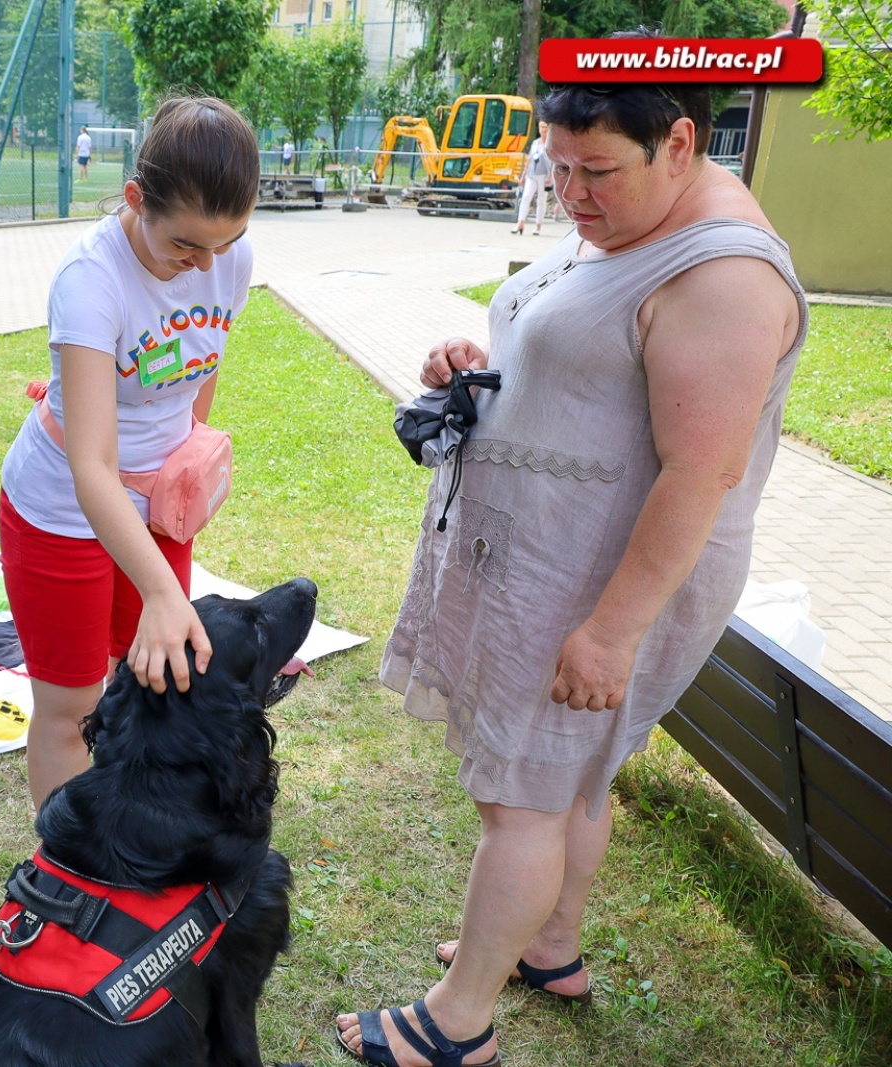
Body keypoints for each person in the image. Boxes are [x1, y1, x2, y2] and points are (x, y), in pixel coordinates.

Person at [336, 64, 808, 1067]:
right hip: (549, 562)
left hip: (595, 584)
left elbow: (702, 470)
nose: (574, 194)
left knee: (522, 796)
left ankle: (453, 1024)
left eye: (596, 171)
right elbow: (588, 357)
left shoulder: (722, 276)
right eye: (557, 171)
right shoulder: (630, 220)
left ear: (678, 144)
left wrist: (611, 630)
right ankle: (547, 948)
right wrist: (482, 363)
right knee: (567, 781)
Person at [0, 95, 259, 808]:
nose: (205, 264)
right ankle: (67, 882)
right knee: (73, 708)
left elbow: (200, 371)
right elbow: (91, 469)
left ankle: (128, 844)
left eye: (224, 244)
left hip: (154, 508)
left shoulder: (225, 258)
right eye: (186, 246)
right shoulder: (91, 280)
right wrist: (164, 589)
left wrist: (188, 460)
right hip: (64, 509)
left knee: (142, 680)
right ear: (136, 199)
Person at [512, 121, 551, 236]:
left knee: (541, 200)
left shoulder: (551, 143)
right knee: (526, 196)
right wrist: (523, 176)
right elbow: (529, 160)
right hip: (531, 174)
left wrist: (551, 176)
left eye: (545, 127)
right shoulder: (535, 143)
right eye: (541, 127)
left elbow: (553, 161)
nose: (543, 129)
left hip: (544, 175)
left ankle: (538, 225)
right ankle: (520, 223)